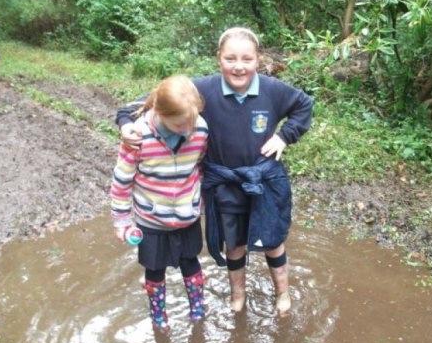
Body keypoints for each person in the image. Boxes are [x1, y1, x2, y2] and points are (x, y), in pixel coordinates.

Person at [116, 27, 313, 316]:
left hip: (265, 180)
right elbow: (147, 103)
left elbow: (304, 105)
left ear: (258, 60)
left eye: (247, 59)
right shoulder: (202, 90)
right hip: (225, 183)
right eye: (230, 58)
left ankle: (283, 293)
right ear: (218, 59)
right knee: (234, 245)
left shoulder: (273, 90)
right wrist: (125, 124)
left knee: (273, 241)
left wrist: (285, 136)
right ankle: (238, 296)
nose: (238, 66)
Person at [110, 74, 209, 332]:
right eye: (179, 126)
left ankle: (198, 309)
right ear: (159, 112)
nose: (187, 130)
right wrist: (122, 220)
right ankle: (158, 316)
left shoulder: (200, 129)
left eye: (192, 122)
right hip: (151, 219)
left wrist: (201, 202)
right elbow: (122, 181)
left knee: (191, 261)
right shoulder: (138, 137)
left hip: (187, 215)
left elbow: (199, 166)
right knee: (154, 269)